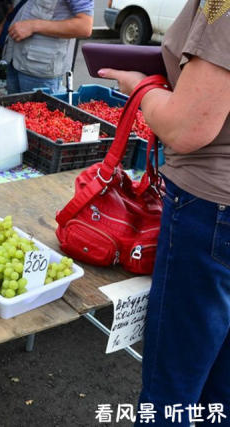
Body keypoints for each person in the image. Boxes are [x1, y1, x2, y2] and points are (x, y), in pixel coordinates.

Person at [99, 1, 230, 424]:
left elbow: (186, 127)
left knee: (175, 387)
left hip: (212, 209)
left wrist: (140, 87)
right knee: (220, 382)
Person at [0, 0, 93, 94]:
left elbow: (84, 26)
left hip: (41, 72)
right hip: (14, 60)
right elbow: (15, 8)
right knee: (15, 114)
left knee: (38, 117)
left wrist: (34, 25)